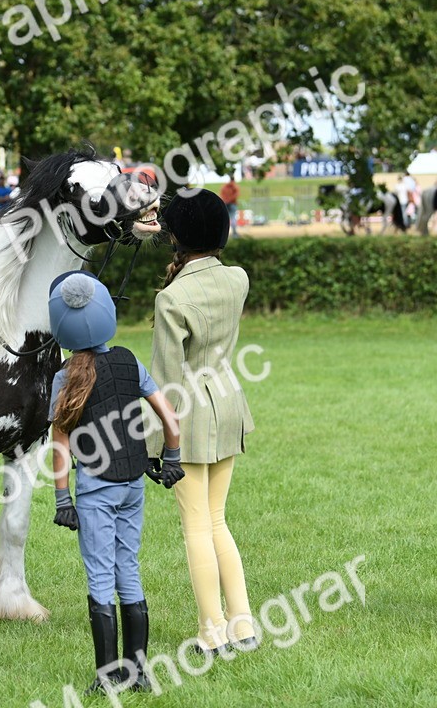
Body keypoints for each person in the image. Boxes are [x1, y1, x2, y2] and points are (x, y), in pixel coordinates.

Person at [49, 270, 184, 694]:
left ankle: (108, 680)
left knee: (100, 577)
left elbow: (59, 446)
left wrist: (60, 498)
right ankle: (139, 673)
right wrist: (173, 458)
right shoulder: (130, 360)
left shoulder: (65, 376)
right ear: (107, 312)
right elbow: (170, 418)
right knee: (129, 568)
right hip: (133, 483)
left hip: (95, 488)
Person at [150, 187, 257, 654]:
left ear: (177, 240)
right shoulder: (238, 278)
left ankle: (211, 632)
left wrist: (157, 445)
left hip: (189, 415)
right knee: (217, 520)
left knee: (197, 525)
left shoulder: (171, 299)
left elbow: (165, 383)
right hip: (229, 403)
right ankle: (244, 625)